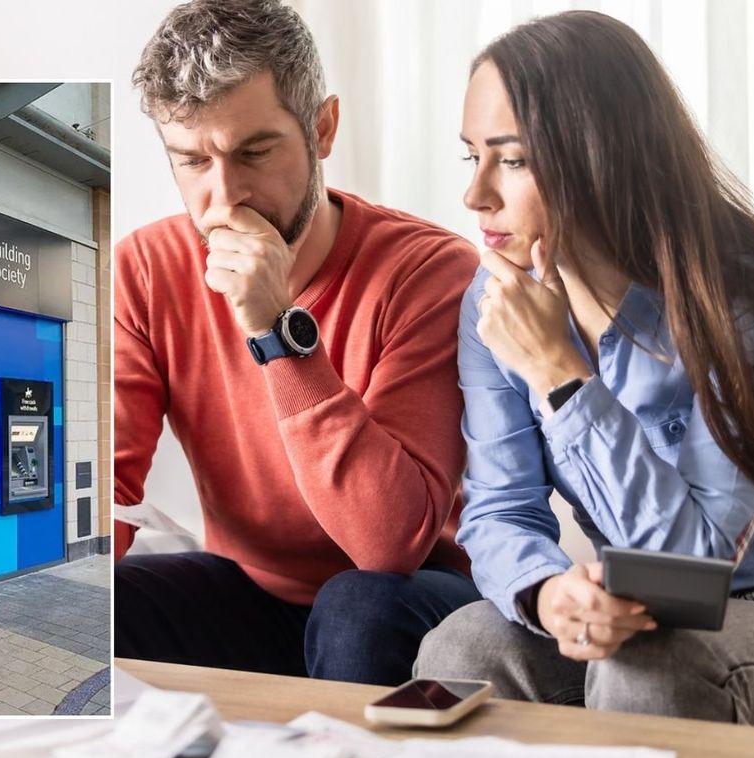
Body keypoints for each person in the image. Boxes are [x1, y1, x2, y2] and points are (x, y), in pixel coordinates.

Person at [414, 10, 754, 725]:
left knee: (645, 665)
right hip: (644, 602)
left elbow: (697, 571)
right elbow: (497, 511)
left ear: (598, 157)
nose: (475, 194)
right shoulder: (494, 299)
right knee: (462, 649)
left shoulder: (744, 300)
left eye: (511, 160)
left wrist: (558, 372)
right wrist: (550, 595)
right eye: (472, 156)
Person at [114, 0, 481, 686]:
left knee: (356, 608)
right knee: (95, 603)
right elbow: (106, 486)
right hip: (250, 592)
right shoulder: (144, 268)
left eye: (254, 152)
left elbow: (387, 544)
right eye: (192, 161)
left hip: (409, 596)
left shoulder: (430, 272)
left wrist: (279, 334)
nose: (224, 199)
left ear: (323, 127)